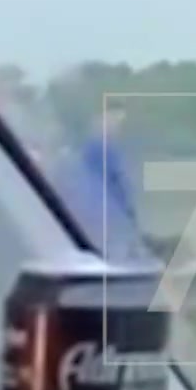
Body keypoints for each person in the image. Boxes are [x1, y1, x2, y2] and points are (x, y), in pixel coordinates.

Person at [51, 96, 155, 264]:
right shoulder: (92, 151)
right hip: (103, 229)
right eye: (110, 120)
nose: (114, 126)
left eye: (118, 122)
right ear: (97, 120)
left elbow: (121, 192)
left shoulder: (110, 151)